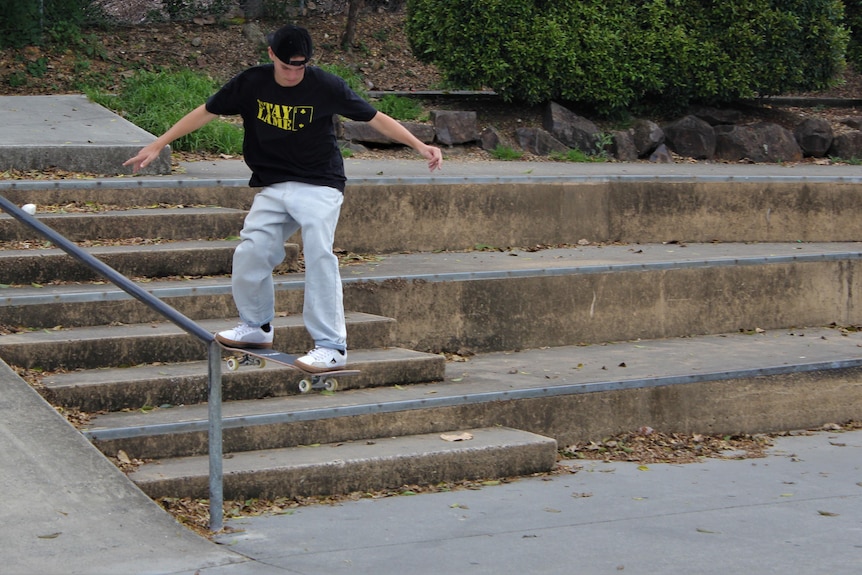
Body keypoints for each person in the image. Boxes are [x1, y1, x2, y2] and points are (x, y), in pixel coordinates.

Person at [125, 24, 443, 372]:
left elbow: (375, 117)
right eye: (286, 66)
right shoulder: (251, 82)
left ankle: (331, 346)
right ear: (271, 55)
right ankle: (256, 327)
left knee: (319, 253)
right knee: (252, 250)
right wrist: (158, 143)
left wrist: (419, 145)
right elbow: (207, 111)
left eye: (300, 67)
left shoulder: (325, 84)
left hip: (320, 183)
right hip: (274, 183)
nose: (293, 74)